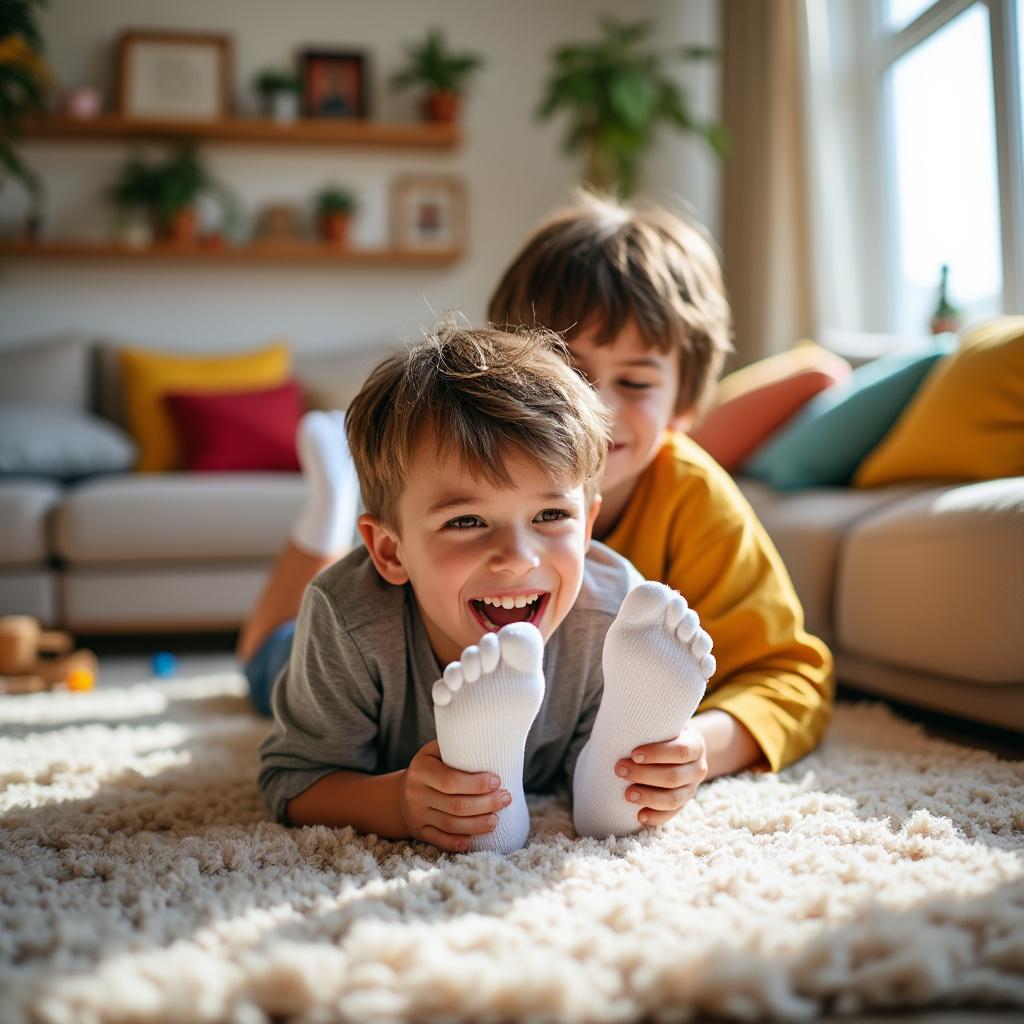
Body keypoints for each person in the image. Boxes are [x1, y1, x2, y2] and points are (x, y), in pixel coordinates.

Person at [255, 323, 717, 853]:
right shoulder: (347, 616)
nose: (519, 559)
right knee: (266, 649)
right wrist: (399, 802)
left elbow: (666, 758)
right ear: (389, 550)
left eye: (549, 514)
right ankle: (331, 501)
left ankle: (609, 790)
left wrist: (663, 769)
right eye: (466, 521)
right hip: (292, 655)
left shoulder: (614, 615)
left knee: (613, 769)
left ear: (587, 526)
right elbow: (293, 780)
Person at [485, 192, 835, 809]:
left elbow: (791, 676)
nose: (599, 408)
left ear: (682, 403)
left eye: (637, 382)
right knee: (282, 659)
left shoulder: (693, 496)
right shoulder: (473, 471)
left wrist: (701, 746)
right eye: (567, 371)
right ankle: (319, 536)